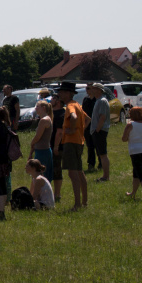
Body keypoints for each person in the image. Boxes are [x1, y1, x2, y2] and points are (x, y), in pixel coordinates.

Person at [57, 82, 89, 210]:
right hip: (79, 141)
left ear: (68, 93)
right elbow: (88, 119)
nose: (59, 94)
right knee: (79, 172)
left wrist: (73, 129)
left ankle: (77, 204)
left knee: (72, 174)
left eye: (62, 92)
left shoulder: (70, 106)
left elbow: (74, 117)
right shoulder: (77, 105)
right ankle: (84, 202)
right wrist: (80, 130)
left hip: (71, 142)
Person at [88, 83, 112, 183]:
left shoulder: (102, 101)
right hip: (98, 131)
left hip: (100, 131)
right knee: (101, 153)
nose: (91, 90)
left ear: (98, 90)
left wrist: (97, 129)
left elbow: (102, 117)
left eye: (93, 88)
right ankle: (105, 175)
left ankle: (106, 176)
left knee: (103, 154)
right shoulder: (98, 100)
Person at [29, 100, 54, 183]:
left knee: (40, 175)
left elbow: (37, 137)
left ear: (43, 108)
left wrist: (32, 143)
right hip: (42, 150)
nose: (35, 108)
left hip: (42, 151)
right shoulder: (46, 119)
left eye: (37, 107)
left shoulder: (44, 120)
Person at [50, 94, 66, 203]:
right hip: (48, 145)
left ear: (59, 102)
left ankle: (57, 194)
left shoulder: (61, 114)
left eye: (54, 98)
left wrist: (56, 146)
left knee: (56, 169)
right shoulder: (51, 113)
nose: (51, 99)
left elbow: (59, 132)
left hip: (57, 146)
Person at [81, 86, 99, 172]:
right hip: (88, 126)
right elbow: (83, 113)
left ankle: (101, 164)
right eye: (86, 88)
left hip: (96, 126)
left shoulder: (97, 100)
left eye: (88, 88)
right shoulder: (85, 100)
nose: (87, 90)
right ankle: (91, 164)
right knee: (90, 146)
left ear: (93, 89)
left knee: (98, 146)